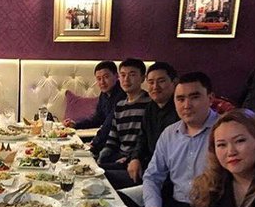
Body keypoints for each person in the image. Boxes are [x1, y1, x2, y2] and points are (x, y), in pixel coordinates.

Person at [132, 72, 219, 207]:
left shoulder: (224, 132)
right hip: (174, 203)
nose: (186, 105)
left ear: (210, 98)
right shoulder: (170, 133)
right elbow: (152, 176)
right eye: (180, 99)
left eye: (194, 97)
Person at [99, 59, 151, 189]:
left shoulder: (150, 105)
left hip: (137, 163)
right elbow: (113, 138)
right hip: (120, 158)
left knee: (98, 177)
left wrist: (130, 158)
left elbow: (146, 142)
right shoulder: (120, 105)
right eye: (123, 75)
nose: (126, 79)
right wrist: (103, 155)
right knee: (88, 170)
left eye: (132, 74)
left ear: (142, 78)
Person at [127, 62, 179, 183]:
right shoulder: (150, 107)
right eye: (151, 82)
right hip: (146, 166)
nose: (155, 87)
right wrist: (135, 158)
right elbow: (142, 138)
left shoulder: (180, 110)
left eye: (161, 81)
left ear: (174, 82)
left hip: (165, 176)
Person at [62, 61, 126, 156]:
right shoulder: (104, 94)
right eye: (99, 79)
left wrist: (94, 143)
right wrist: (75, 124)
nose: (102, 82)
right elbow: (97, 119)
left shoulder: (121, 95)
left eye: (106, 77)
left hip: (117, 144)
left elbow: (109, 125)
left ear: (116, 76)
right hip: (108, 140)